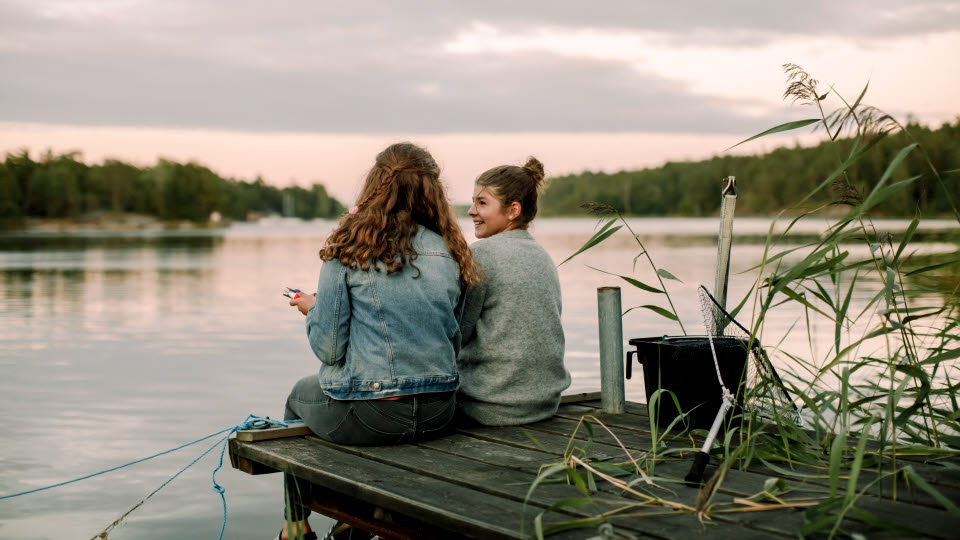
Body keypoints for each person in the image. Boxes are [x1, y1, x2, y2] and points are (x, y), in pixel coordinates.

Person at [280, 142, 479, 540]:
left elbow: (329, 350)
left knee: (298, 398)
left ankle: (295, 528)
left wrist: (314, 311)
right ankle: (350, 523)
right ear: (432, 192)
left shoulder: (348, 248)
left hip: (376, 416)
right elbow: (455, 336)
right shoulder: (453, 251)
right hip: (441, 411)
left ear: (374, 185)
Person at [457, 157, 571, 426]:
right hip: (544, 403)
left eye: (482, 203)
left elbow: (457, 333)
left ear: (513, 211)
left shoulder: (479, 255)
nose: (472, 211)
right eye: (473, 202)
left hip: (488, 406)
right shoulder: (542, 255)